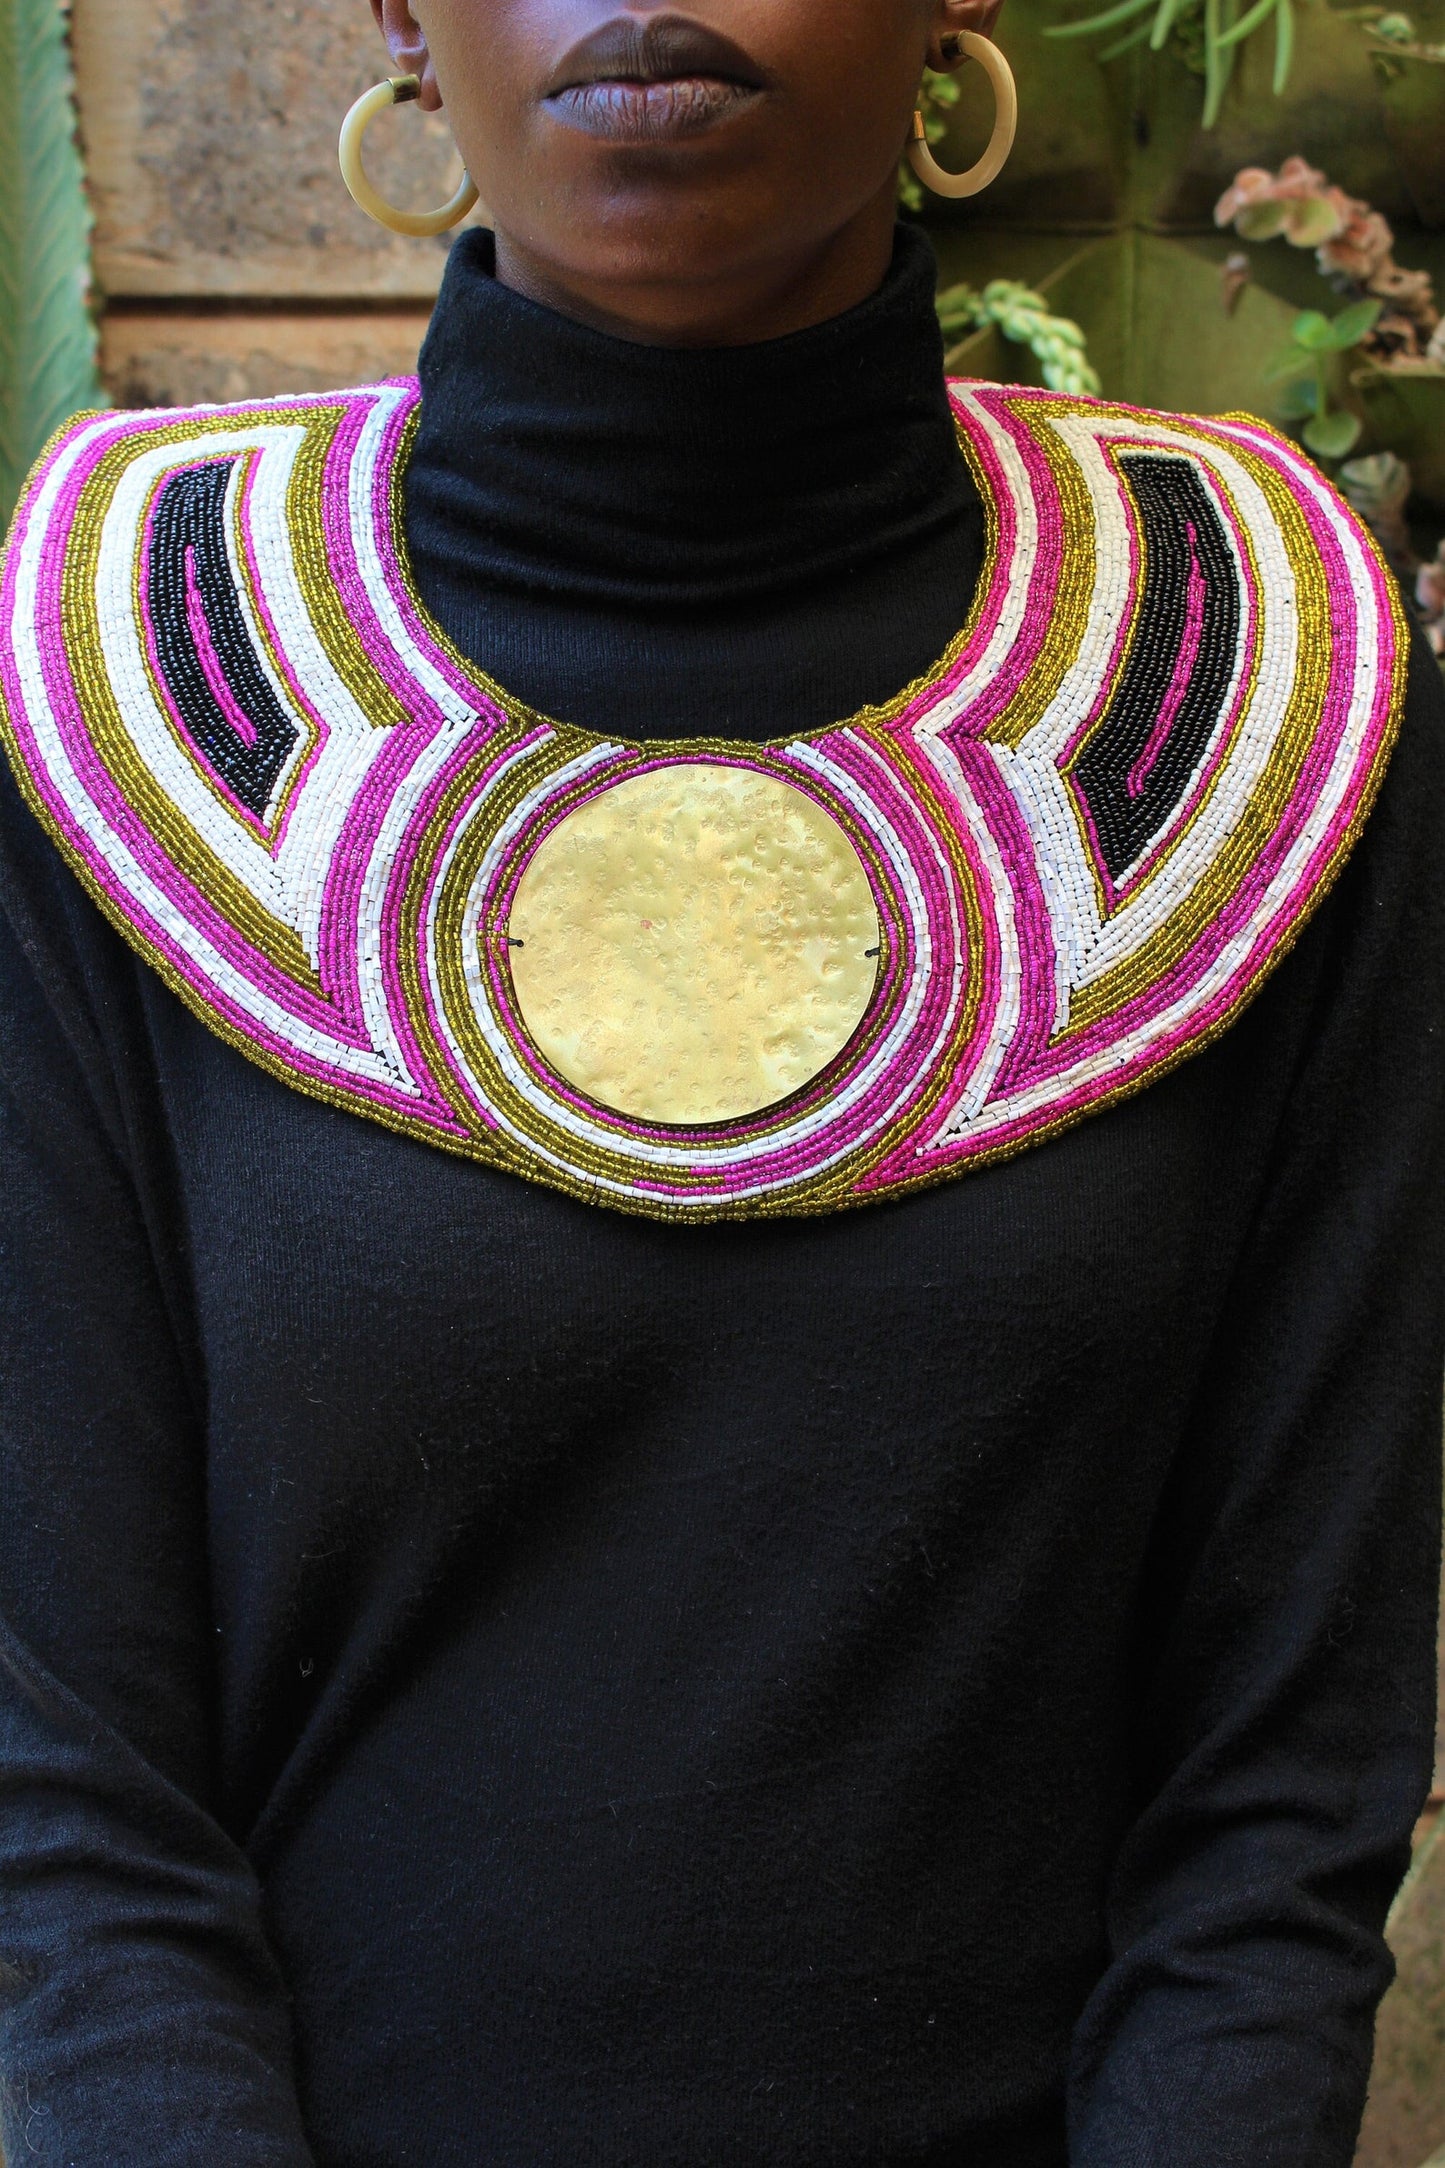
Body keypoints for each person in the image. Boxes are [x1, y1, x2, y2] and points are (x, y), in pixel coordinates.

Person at [0, 1, 1442, 2162]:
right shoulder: (123, 668)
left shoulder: (1255, 678)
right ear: (395, 10)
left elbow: (1287, 1778)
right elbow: (65, 1791)